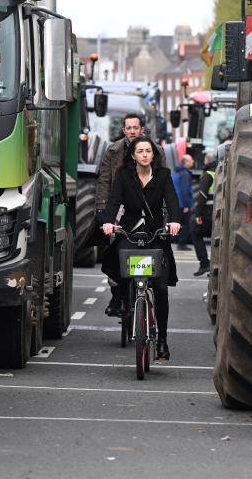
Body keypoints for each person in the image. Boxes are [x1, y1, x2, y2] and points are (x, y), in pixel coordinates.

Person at [101, 136, 182, 360]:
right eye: (140, 151)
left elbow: (172, 201)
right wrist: (109, 222)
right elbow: (113, 201)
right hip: (130, 231)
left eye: (148, 151)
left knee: (160, 287)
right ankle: (121, 298)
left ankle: (163, 340)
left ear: (153, 155)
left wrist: (174, 221)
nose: (145, 154)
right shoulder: (123, 176)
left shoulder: (163, 176)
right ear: (133, 155)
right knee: (118, 261)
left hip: (155, 234)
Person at [95, 113, 153, 227]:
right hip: (120, 206)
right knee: (119, 240)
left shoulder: (157, 151)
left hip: (148, 204)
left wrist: (166, 210)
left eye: (135, 128)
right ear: (124, 130)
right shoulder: (112, 151)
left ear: (142, 129)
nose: (132, 131)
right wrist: (101, 208)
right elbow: (105, 180)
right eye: (129, 128)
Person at [191, 152, 217, 276]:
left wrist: (198, 215)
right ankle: (216, 268)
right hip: (218, 212)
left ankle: (204, 264)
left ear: (206, 162)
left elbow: (202, 197)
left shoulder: (207, 175)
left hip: (208, 212)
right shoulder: (220, 173)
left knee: (196, 232)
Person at [172, 154, 195, 250]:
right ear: (186, 162)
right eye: (191, 160)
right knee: (185, 224)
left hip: (176, 203)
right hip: (182, 204)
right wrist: (186, 205)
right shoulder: (185, 174)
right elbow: (184, 190)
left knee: (180, 223)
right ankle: (181, 244)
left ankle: (179, 242)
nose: (193, 161)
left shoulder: (177, 173)